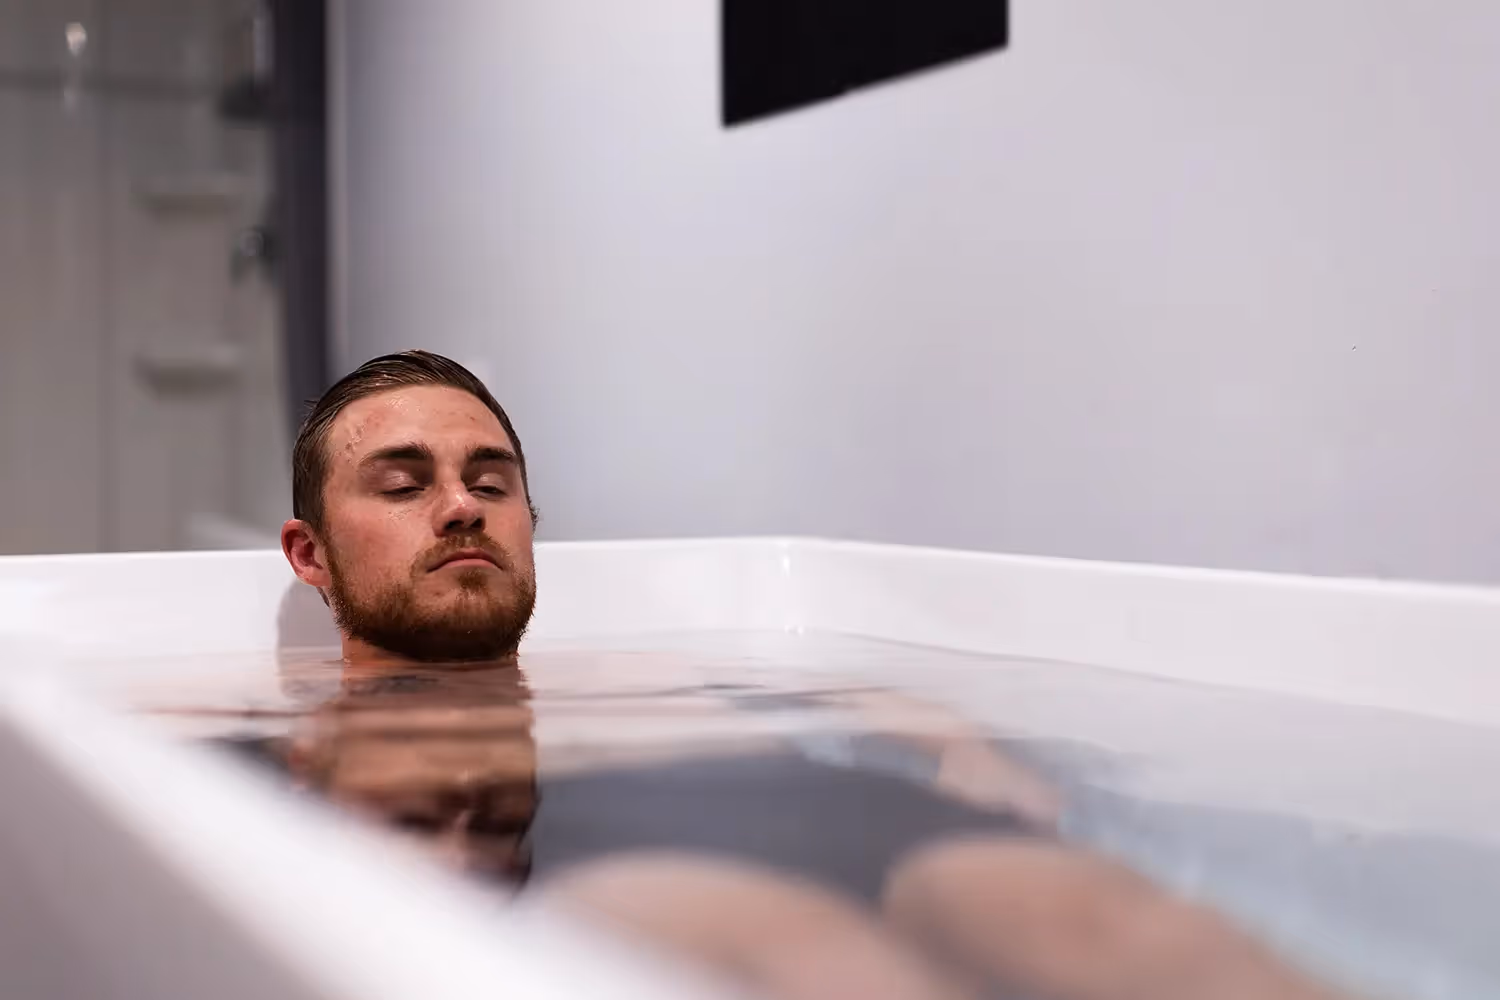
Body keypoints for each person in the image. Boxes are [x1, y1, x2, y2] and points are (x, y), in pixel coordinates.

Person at [276, 350, 1356, 1000]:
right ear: (311, 555)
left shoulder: (653, 665)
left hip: (782, 794)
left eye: (490, 478)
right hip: (571, 852)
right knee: (775, 940)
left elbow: (848, 699)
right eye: (404, 481)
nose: (462, 504)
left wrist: (957, 745)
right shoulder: (277, 719)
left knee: (1096, 917)